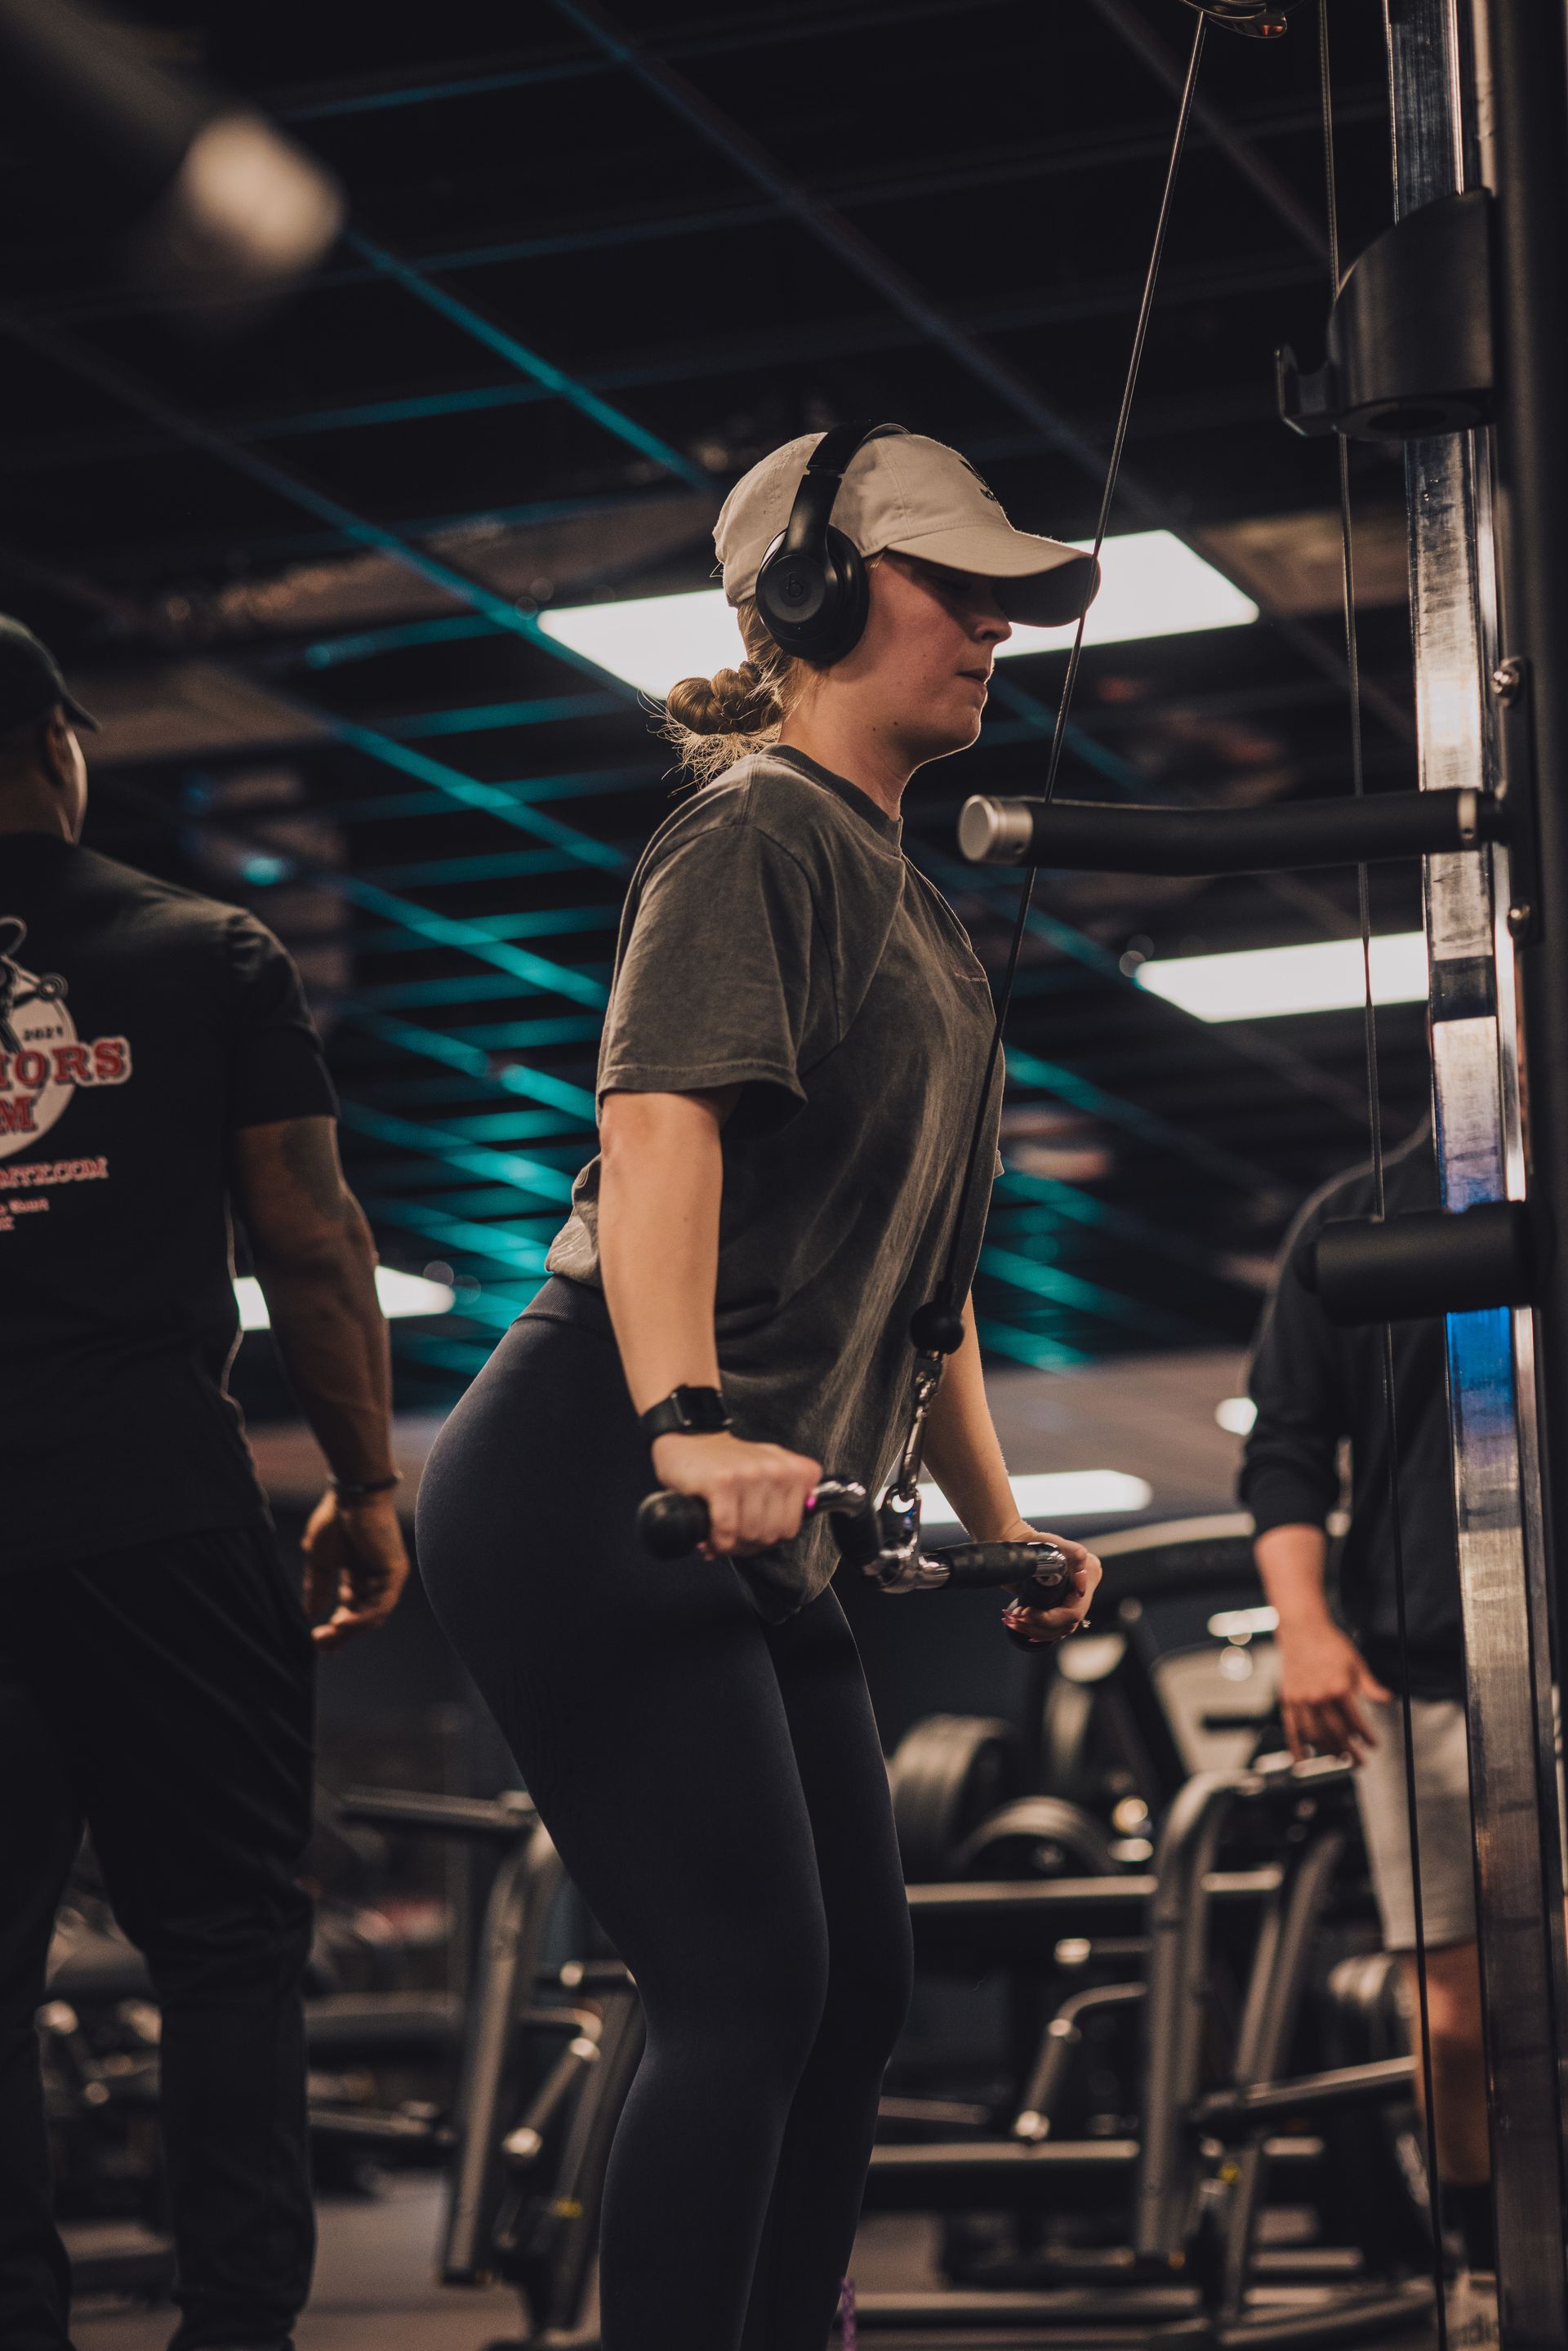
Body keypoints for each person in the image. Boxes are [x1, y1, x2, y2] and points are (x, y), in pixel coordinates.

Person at [416, 425, 1104, 2351]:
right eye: (950, 585)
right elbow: (655, 1144)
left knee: (853, 1993)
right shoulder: (752, 835)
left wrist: (1003, 1528)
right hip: (595, 1468)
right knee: (741, 1990)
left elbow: (932, 1302)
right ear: (807, 597)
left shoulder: (929, 926)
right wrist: (682, 1421)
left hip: (753, 1499)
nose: (989, 626)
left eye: (1004, 598)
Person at [0, 615, 411, 2351]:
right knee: (228, 1944)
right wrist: (369, 1484)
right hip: (158, 1514)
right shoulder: (201, 952)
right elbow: (312, 1246)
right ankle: (235, 2331)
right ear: (62, 741)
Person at [1241, 1120, 1497, 2332]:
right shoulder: (1355, 1217)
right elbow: (1287, 1448)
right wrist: (1304, 1626)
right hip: (1418, 1662)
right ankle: (1485, 2266)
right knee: (1454, 2008)